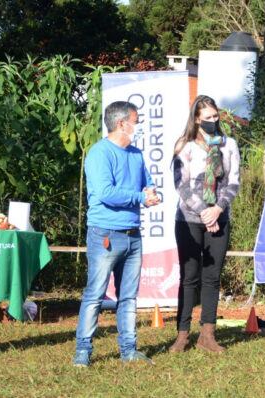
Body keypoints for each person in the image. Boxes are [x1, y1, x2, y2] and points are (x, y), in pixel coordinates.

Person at [73, 101, 160, 367]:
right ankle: (83, 352)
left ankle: (129, 350)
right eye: (137, 120)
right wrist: (140, 197)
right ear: (122, 123)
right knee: (95, 294)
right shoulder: (99, 153)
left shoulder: (136, 154)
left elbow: (148, 183)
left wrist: (152, 192)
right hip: (105, 235)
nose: (139, 125)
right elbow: (105, 193)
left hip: (134, 235)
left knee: (129, 296)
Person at [168, 95, 240, 353]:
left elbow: (233, 181)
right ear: (196, 118)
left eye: (215, 116)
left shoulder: (229, 145)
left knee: (212, 278)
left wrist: (217, 209)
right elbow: (181, 184)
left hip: (219, 219)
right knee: (189, 277)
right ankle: (182, 334)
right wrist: (204, 212)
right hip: (188, 220)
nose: (212, 121)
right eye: (207, 117)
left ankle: (207, 334)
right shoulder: (184, 147)